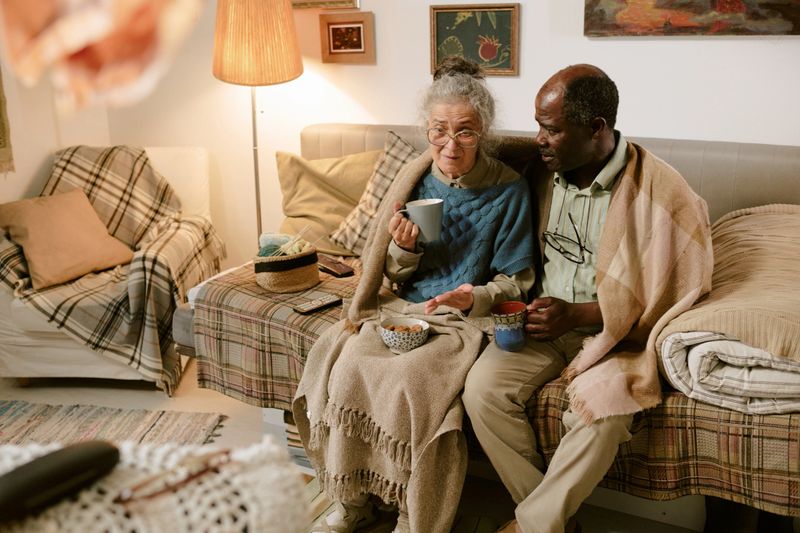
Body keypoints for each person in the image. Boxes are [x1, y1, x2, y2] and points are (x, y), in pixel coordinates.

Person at [462, 64, 714, 533]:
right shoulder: (538, 172)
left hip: (615, 338)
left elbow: (680, 290)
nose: (539, 138)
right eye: (538, 125)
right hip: (539, 328)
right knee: (481, 392)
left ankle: (531, 526)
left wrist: (585, 313)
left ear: (597, 128)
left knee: (605, 417)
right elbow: (467, 167)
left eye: (552, 129)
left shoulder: (661, 189)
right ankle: (552, 521)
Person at [293, 57, 536, 533]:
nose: (449, 144)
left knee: (413, 383)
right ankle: (352, 498)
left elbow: (517, 282)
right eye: (438, 131)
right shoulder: (416, 180)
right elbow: (398, 274)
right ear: (426, 130)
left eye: (464, 132)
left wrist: (473, 297)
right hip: (404, 307)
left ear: (483, 131)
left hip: (462, 319)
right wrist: (404, 249)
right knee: (343, 368)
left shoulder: (509, 189)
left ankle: (411, 511)